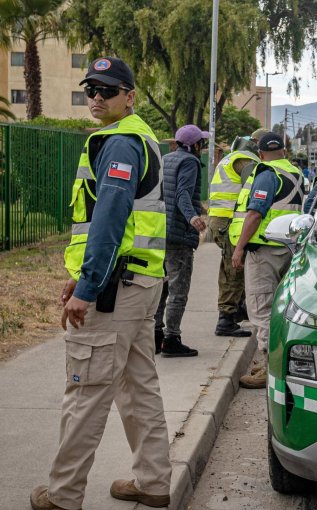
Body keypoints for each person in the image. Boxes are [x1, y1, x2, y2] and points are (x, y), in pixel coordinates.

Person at [31, 57, 171, 509]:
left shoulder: (120, 143)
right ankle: (154, 482)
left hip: (114, 290)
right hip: (140, 282)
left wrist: (88, 286)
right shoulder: (141, 138)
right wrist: (82, 277)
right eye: (90, 89)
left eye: (107, 90)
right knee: (139, 389)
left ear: (130, 96)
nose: (96, 97)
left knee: (86, 393)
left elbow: (110, 219)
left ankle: (63, 495)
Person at [230, 132, 303, 389]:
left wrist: (239, 248)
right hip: (287, 247)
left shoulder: (266, 174)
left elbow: (254, 214)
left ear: (260, 154)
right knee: (279, 310)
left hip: (264, 250)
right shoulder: (295, 172)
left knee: (261, 309)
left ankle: (270, 368)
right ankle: (275, 362)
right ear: (284, 151)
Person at [152, 124, 208, 356]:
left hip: (160, 231)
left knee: (161, 287)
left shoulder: (166, 159)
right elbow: (182, 193)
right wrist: (192, 217)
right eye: (202, 143)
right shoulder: (190, 162)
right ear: (195, 145)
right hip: (179, 233)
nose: (203, 147)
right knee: (178, 289)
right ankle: (172, 339)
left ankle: (155, 336)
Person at [208, 133, 260, 337]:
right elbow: (255, 189)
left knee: (232, 266)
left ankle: (236, 310)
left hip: (220, 220)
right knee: (234, 269)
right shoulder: (245, 160)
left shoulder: (230, 158)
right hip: (229, 222)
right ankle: (226, 319)